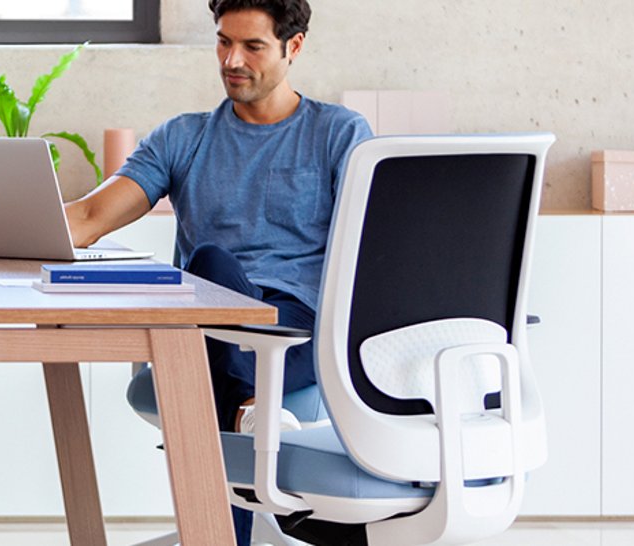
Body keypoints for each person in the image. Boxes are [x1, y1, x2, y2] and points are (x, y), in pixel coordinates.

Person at [59, 0, 373, 542]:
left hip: (296, 332)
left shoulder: (338, 133)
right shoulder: (183, 137)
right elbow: (89, 218)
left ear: (292, 48)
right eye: (224, 42)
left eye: (253, 46)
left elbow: (373, 248)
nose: (233, 59)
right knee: (210, 267)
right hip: (205, 325)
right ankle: (251, 413)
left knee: (207, 279)